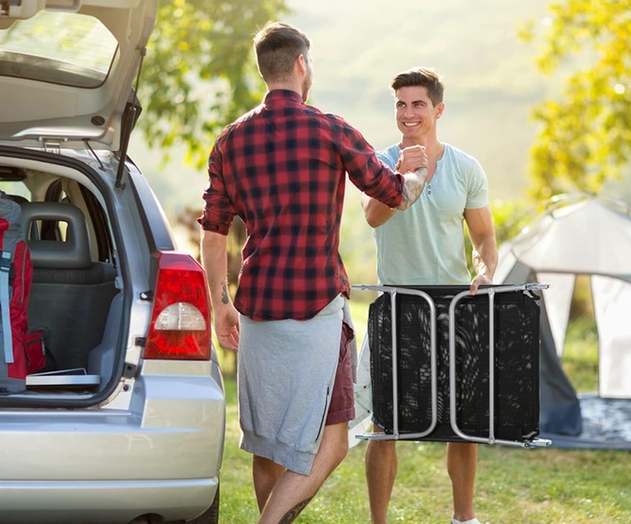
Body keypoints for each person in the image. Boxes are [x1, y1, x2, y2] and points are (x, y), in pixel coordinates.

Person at [198, 22, 428, 523]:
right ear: (302, 64)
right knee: (333, 440)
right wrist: (417, 171)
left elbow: (213, 231)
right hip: (319, 307)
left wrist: (219, 303)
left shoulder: (229, 141)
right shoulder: (330, 128)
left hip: (256, 309)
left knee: (266, 443)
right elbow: (395, 193)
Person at [361, 67, 497, 524]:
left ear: (437, 109)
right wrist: (399, 175)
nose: (408, 112)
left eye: (418, 103)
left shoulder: (466, 167)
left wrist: (485, 270)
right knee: (386, 425)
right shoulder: (379, 160)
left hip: (454, 307)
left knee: (463, 423)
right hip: (396, 305)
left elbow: (483, 238)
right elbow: (373, 218)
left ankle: (464, 518)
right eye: (400, 104)